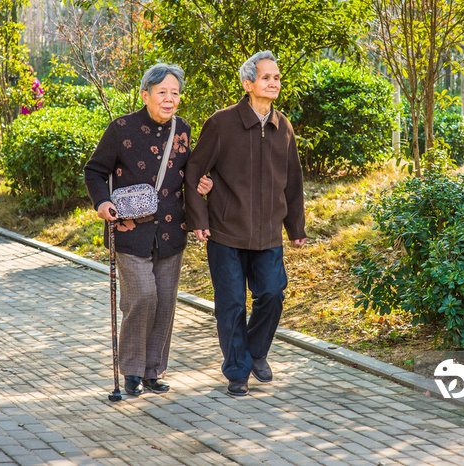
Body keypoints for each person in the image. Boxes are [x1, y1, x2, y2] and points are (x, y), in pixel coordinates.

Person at [84, 63, 212, 396]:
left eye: (175, 93)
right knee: (142, 297)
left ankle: (154, 370)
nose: (169, 99)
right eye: (162, 93)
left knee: (166, 301)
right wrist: (101, 203)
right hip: (129, 230)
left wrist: (204, 183)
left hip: (172, 231)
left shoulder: (182, 130)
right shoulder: (121, 128)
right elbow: (95, 171)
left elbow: (191, 172)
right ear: (145, 95)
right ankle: (131, 371)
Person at [184, 51, 307, 396]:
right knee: (232, 304)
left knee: (271, 295)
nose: (273, 83)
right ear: (247, 83)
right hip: (226, 232)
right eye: (266, 77)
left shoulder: (284, 127)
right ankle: (237, 371)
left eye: (277, 78)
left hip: (268, 233)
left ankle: (254, 352)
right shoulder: (221, 123)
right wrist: (199, 218)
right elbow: (194, 171)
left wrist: (295, 228)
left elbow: (293, 181)